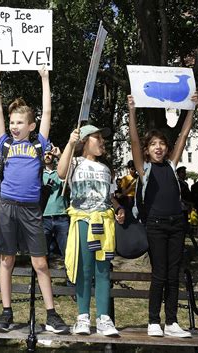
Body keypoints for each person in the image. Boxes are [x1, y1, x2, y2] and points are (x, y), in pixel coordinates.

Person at [0, 67, 69, 334]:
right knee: (6, 261)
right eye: (12, 123)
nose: (14, 126)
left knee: (41, 263)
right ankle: (6, 313)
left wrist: (45, 79)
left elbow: (47, 112)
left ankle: (52, 314)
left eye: (20, 123)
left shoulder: (38, 144)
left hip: (32, 210)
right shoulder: (5, 144)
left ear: (31, 126)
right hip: (7, 207)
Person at [128, 92, 198, 338]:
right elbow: (134, 141)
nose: (158, 148)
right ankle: (153, 321)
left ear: (167, 149)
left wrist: (192, 108)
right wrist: (132, 112)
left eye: (162, 144)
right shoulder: (144, 169)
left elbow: (184, 135)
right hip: (156, 226)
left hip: (177, 225)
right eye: (153, 145)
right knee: (159, 274)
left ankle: (171, 322)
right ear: (147, 151)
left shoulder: (171, 165)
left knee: (173, 273)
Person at [57, 124, 124, 337]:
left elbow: (109, 196)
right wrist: (70, 143)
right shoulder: (75, 163)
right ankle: (82, 317)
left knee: (103, 270)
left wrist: (119, 207)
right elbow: (60, 172)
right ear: (84, 141)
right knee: (84, 270)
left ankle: (104, 318)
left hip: (104, 224)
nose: (102, 141)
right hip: (83, 222)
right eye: (97, 138)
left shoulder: (106, 169)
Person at [42, 144, 70, 262]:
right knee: (42, 255)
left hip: (61, 216)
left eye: (50, 153)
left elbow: (71, 169)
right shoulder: (37, 174)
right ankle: (42, 280)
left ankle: (71, 280)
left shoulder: (61, 173)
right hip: (43, 218)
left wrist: (60, 155)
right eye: (45, 153)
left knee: (68, 253)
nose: (48, 156)